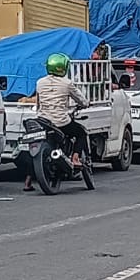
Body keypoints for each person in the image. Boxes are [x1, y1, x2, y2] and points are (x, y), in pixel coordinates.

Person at [25, 53, 91, 192]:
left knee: (36, 148)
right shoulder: (67, 83)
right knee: (81, 133)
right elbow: (82, 100)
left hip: (43, 120)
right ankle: (75, 158)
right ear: (64, 68)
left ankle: (28, 181)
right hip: (61, 122)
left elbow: (38, 103)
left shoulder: (40, 82)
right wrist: (85, 104)